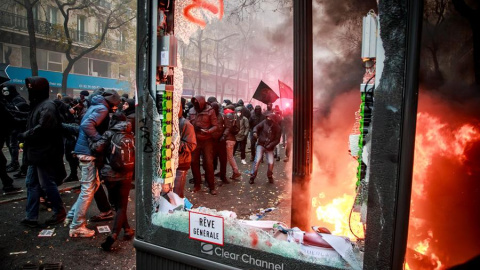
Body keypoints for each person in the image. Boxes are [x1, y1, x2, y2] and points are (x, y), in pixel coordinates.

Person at [67, 89, 120, 238]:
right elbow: (87, 125)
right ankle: (77, 226)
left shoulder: (96, 105)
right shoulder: (102, 108)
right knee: (88, 189)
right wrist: (99, 140)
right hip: (88, 153)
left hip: (85, 151)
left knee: (93, 185)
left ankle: (72, 215)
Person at [20, 77, 67, 227]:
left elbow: (43, 128)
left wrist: (25, 135)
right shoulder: (39, 105)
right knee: (31, 183)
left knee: (46, 184)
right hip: (36, 152)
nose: (29, 90)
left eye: (31, 87)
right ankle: (31, 217)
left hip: (44, 153)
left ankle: (59, 211)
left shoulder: (47, 106)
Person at [90, 111, 135, 251]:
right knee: (121, 205)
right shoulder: (130, 134)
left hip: (110, 174)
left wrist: (92, 141)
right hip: (127, 174)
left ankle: (113, 235)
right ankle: (127, 229)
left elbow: (97, 148)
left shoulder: (109, 133)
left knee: (118, 205)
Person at [188, 95, 219, 195]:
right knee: (193, 162)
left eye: (197, 104)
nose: (196, 106)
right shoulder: (192, 110)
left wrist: (208, 131)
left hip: (207, 140)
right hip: (195, 139)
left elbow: (215, 126)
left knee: (209, 163)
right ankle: (197, 184)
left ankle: (211, 186)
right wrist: (192, 126)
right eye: (194, 104)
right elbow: (188, 122)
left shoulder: (210, 111)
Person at [0, 84, 23, 195]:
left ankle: (7, 182)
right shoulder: (2, 102)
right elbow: (9, 116)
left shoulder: (12, 100)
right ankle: (7, 183)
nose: (4, 92)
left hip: (10, 131)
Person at [2, 84, 29, 174]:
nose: (4, 92)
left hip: (18, 125)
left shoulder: (18, 99)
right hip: (12, 125)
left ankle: (16, 163)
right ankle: (14, 162)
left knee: (14, 145)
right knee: (11, 145)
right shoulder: (9, 99)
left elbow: (20, 112)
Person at [249, 112, 281, 184]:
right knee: (257, 160)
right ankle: (252, 176)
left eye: (270, 118)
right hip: (261, 144)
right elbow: (256, 127)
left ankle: (269, 175)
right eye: (267, 118)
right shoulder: (264, 122)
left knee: (271, 162)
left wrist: (271, 145)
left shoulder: (278, 128)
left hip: (270, 147)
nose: (268, 119)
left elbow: (277, 140)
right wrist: (255, 132)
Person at [174, 98, 197, 197]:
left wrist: (174, 145)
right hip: (169, 163)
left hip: (181, 162)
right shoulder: (169, 123)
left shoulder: (186, 124)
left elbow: (191, 145)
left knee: (177, 193)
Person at [210, 102, 228, 185]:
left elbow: (228, 126)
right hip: (212, 141)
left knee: (223, 160)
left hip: (221, 141)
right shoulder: (209, 116)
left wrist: (224, 135)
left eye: (215, 108)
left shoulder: (223, 116)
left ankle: (223, 176)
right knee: (211, 160)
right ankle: (210, 177)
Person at [222, 105, 242, 180]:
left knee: (230, 157)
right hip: (232, 139)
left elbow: (228, 127)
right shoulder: (235, 116)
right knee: (228, 157)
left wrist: (224, 135)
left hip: (229, 139)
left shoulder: (228, 115)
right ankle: (224, 171)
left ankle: (236, 171)